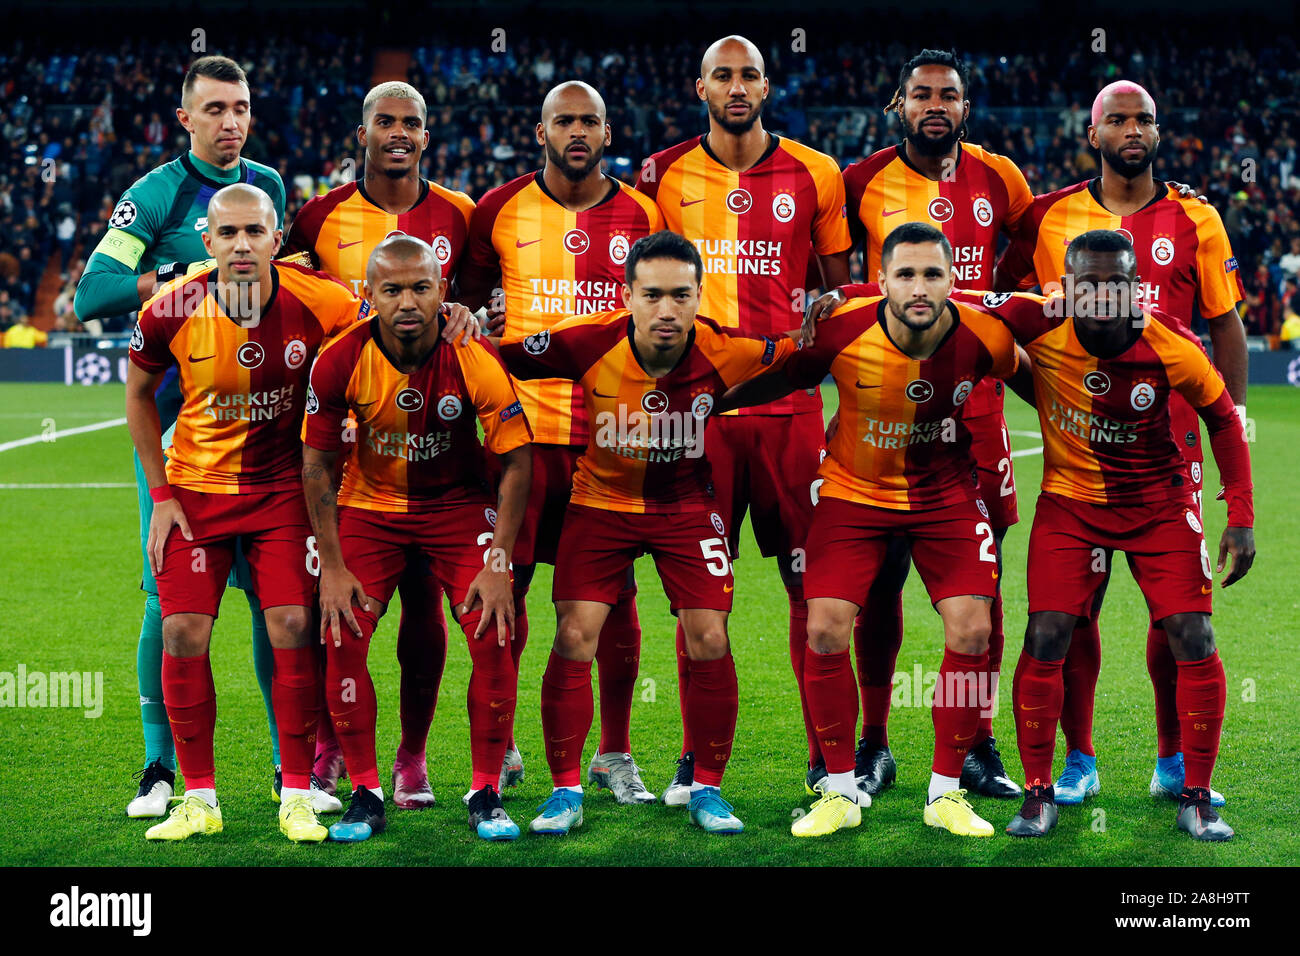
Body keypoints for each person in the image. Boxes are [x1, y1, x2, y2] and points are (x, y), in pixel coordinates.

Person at [496, 230, 801, 835]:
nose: (668, 310)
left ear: (699, 296)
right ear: (628, 296)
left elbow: (804, 356)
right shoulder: (587, 341)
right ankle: (565, 791)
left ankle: (706, 788)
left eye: (681, 296)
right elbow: (500, 354)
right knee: (576, 635)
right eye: (653, 295)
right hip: (599, 505)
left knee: (709, 636)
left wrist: (834, 310)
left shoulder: (726, 350)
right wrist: (459, 325)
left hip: (686, 508)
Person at [994, 81, 1248, 807]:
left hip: (1170, 456)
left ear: (1158, 133)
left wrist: (1225, 420)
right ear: (1093, 132)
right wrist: (1043, 394)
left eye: (1144, 120)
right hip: (1082, 452)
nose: (1132, 129)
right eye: (1118, 119)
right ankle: (1079, 759)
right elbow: (1009, 320)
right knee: (1073, 615)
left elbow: (1226, 323)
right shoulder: (1047, 219)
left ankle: (1172, 761)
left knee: (1178, 620)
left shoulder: (1197, 216)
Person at [726, 222, 1022, 837]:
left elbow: (1040, 370)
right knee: (825, 625)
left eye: (933, 274)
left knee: (973, 628)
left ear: (953, 281)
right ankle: (837, 790)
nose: (919, 287)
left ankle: (946, 793)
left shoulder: (985, 333)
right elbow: (784, 373)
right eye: (905, 274)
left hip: (945, 497)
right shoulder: (840, 326)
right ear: (880, 280)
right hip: (854, 495)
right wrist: (699, 396)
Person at [72, 55, 298, 819]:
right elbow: (91, 296)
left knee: (274, 600)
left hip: (262, 424)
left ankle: (284, 765)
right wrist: (182, 269)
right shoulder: (154, 194)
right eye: (215, 110)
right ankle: (158, 767)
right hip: (176, 425)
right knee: (162, 599)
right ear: (185, 119)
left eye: (240, 108)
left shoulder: (265, 187)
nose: (230, 122)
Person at [811, 48, 1034, 799]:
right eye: (920, 95)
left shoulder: (1002, 178)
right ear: (898, 105)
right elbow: (833, 275)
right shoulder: (859, 180)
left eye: (948, 95)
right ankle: (873, 743)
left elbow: (1029, 265)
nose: (934, 106)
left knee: (983, 584)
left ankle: (979, 744)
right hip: (883, 406)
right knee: (874, 583)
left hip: (975, 403)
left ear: (965, 107)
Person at [636, 35, 851, 804]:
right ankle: (695, 759)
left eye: (749, 74)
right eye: (723, 74)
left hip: (791, 410)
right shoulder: (661, 175)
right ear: (700, 86)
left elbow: (838, 288)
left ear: (766, 84)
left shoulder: (817, 173)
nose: (736, 85)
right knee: (699, 600)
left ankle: (831, 760)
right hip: (697, 416)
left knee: (814, 591)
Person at [124, 184, 366, 842]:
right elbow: (139, 395)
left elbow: (375, 346)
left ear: (276, 238)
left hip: (281, 492)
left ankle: (295, 791)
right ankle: (197, 798)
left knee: (291, 623)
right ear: (207, 243)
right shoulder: (170, 310)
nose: (240, 244)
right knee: (182, 635)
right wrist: (162, 497)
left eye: (253, 232)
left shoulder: (324, 300)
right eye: (226, 233)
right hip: (196, 493)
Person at [456, 80, 665, 805]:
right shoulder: (498, 210)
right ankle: (503, 745)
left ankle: (614, 752)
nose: (576, 132)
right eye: (563, 121)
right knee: (502, 589)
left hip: (610, 437)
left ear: (608, 134)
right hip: (517, 438)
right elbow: (469, 304)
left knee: (615, 598)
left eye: (589, 122)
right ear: (539, 131)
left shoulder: (644, 213)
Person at [284, 80, 476, 808]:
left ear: (427, 136)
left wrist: (464, 314)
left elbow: (478, 305)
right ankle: (331, 745)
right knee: (330, 603)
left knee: (425, 612)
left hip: (433, 445)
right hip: (341, 446)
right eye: (385, 122)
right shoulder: (319, 215)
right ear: (361, 132)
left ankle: (413, 756)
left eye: (412, 124)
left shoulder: (460, 214)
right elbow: (289, 294)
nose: (398, 133)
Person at [302, 235, 532, 842]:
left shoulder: (472, 354)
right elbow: (316, 466)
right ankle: (366, 790)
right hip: (370, 508)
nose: (408, 301)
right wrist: (331, 565)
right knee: (342, 629)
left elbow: (517, 462)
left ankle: (484, 791)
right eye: (393, 289)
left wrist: (498, 562)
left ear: (442, 292)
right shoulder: (340, 358)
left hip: (456, 508)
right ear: (369, 295)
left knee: (492, 628)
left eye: (421, 287)